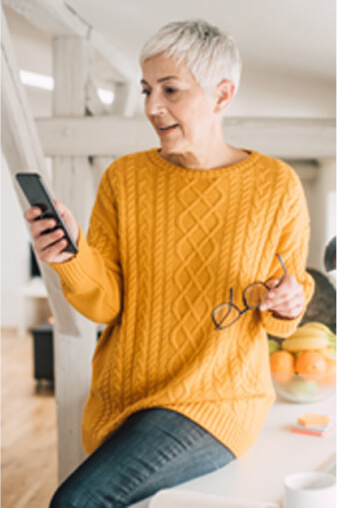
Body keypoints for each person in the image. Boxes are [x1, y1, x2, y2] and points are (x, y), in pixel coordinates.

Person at [24, 19, 314, 508]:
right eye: (146, 90)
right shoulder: (125, 178)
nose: (152, 107)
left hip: (214, 403)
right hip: (124, 401)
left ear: (222, 95)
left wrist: (289, 300)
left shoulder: (276, 186)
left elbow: (285, 315)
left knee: (76, 501)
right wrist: (72, 257)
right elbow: (108, 303)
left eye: (171, 90)